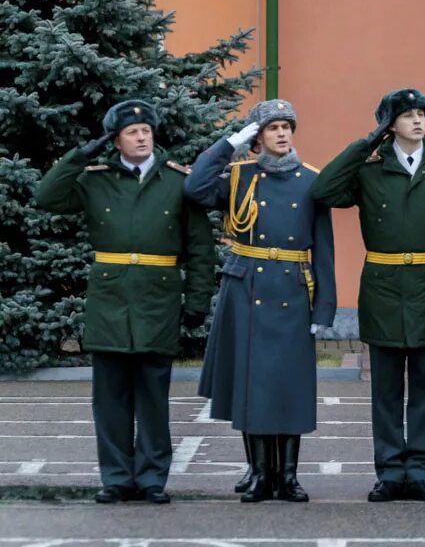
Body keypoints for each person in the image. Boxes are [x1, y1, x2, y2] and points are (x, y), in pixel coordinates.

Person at [35, 100, 216, 504]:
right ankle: (116, 477)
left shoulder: (177, 181)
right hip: (110, 299)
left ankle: (152, 479)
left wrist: (197, 300)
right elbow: (47, 197)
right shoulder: (95, 178)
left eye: (146, 131)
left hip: (158, 297)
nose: (141, 137)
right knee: (110, 397)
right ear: (115, 140)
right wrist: (79, 156)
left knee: (153, 396)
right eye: (132, 133)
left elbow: (201, 247)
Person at [310, 89, 425, 502]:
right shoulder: (369, 170)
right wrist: (366, 143)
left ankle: (421, 470)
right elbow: (324, 190)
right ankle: (389, 471)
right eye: (406, 115)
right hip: (384, 289)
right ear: (389, 124)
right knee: (385, 391)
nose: (418, 121)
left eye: (422, 113)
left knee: (424, 390)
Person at [184, 99, 337, 503]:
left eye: (287, 126)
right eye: (272, 128)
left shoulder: (311, 180)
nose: (282, 133)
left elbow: (324, 249)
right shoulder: (238, 177)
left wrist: (324, 308)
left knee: (287, 385)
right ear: (257, 137)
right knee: (251, 384)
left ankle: (287, 477)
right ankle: (258, 473)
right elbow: (195, 187)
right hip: (246, 286)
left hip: (290, 287)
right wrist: (229, 144)